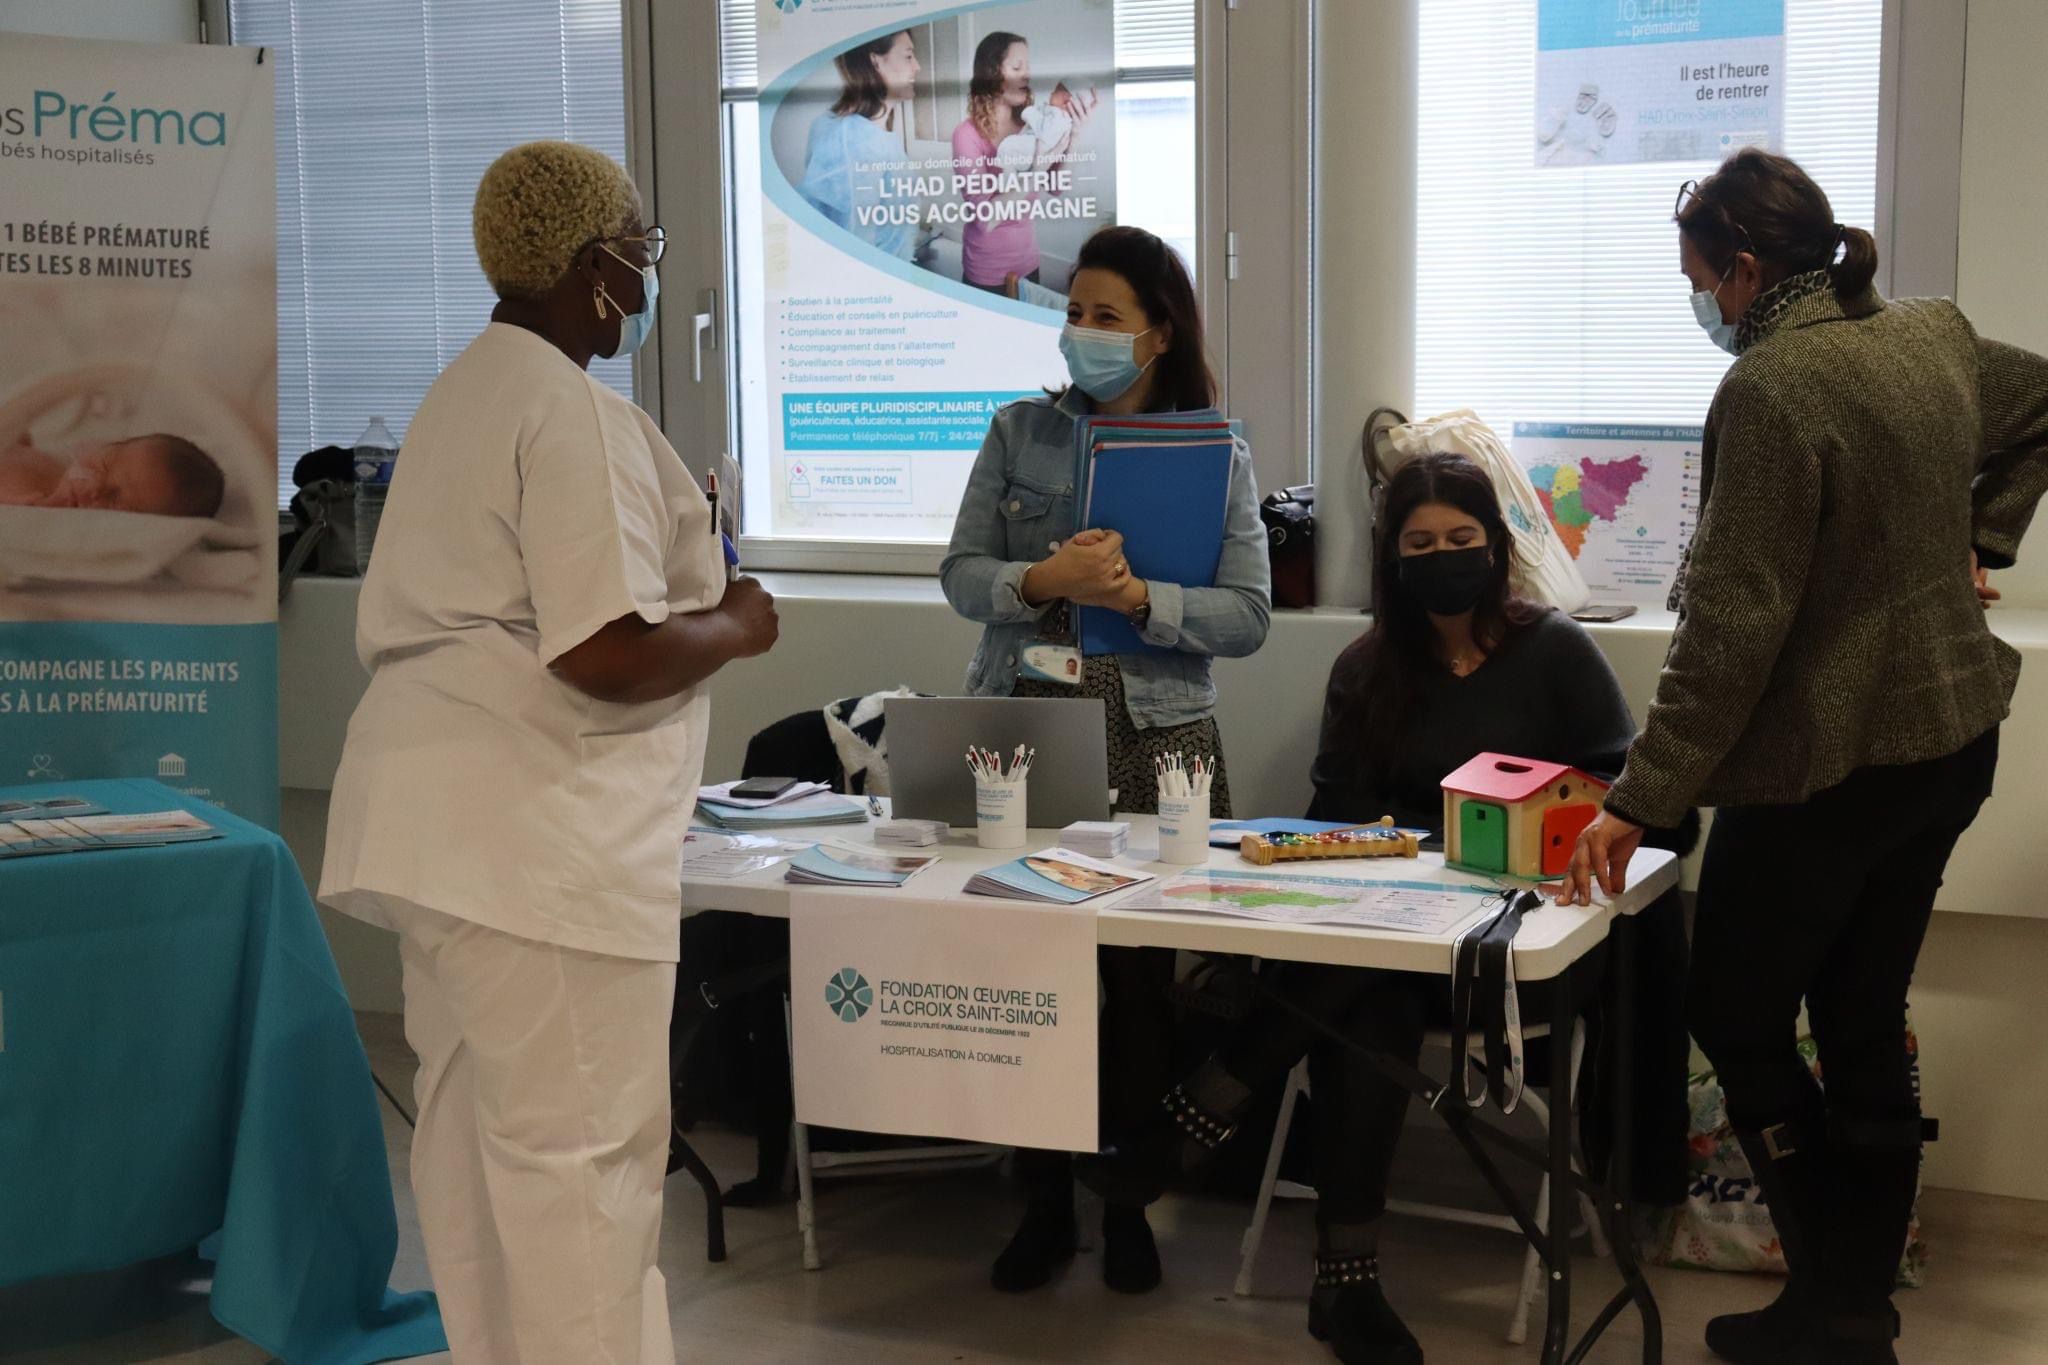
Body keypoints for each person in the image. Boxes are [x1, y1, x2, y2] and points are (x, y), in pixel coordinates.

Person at [1562, 148, 2048, 1364]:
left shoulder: (1774, 390)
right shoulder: (1926, 333)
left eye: (1693, 279)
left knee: (1731, 1012)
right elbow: (2044, 399)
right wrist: (1976, 535)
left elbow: (1729, 634)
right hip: (1947, 748)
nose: (1697, 306)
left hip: (1825, 770)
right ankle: (1850, 1313)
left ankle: (1834, 1298)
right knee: (1860, 1010)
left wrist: (1639, 799)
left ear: (1737, 268)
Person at [319, 141, 780, 1364]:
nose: (643, 273)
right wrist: (738, 622)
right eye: (639, 250)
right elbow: (606, 653)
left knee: (476, 1144)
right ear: (593, 266)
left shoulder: (464, 388)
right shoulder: (568, 408)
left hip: (440, 838)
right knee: (582, 1166)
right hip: (536, 846)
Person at [1076, 451, 1689, 1364]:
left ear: (1495, 545)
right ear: (1391, 559)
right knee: (1369, 997)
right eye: (1420, 543)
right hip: (1392, 947)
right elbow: (1336, 819)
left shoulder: (1556, 650)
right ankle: (1343, 1286)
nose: (1442, 556)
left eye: (1461, 539)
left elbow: (1626, 793)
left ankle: (1211, 1102)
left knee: (1350, 988)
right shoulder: (1368, 667)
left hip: (1523, 952)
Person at [940, 223, 1270, 1295]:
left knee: (1137, 985)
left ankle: (1126, 1207)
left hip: (1157, 735)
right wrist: (1045, 580)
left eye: (1104, 316)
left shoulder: (1214, 448)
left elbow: (1248, 615)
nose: (1079, 332)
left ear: (1158, 331)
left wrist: (1136, 600)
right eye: (1071, 312)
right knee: (1028, 972)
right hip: (1023, 722)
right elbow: (959, 574)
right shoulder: (1017, 430)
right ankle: (1039, 1200)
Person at [949, 32, 1094, 295]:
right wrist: (1036, 169)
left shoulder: (1034, 124)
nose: (1026, 75)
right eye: (1017, 67)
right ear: (991, 74)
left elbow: (1057, 187)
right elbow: (986, 220)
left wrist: (1074, 136)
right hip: (987, 272)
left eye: (1027, 67)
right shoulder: (966, 135)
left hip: (1028, 265)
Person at [795, 30, 922, 260]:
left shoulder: (875, 134)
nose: (917, 67)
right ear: (876, 62)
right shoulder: (852, 140)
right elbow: (853, 246)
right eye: (908, 56)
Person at [0, 432, 223, 517]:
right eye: (102, 466)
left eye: (115, 500)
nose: (95, 489)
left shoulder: (36, 507)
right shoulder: (58, 463)